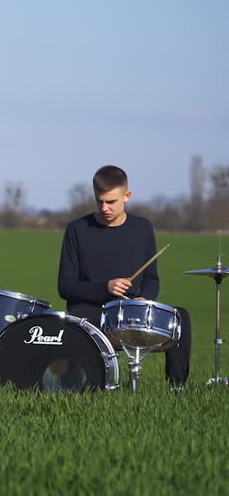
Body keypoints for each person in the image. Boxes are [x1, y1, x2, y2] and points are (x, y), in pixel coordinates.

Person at [58, 165, 190, 386]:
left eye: (111, 202)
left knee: (180, 318)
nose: (105, 207)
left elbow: (151, 279)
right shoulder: (76, 229)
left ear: (127, 196)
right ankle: (90, 386)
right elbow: (65, 287)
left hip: (131, 311)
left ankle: (177, 389)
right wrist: (105, 287)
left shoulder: (143, 228)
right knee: (77, 322)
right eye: (100, 201)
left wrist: (144, 298)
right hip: (92, 312)